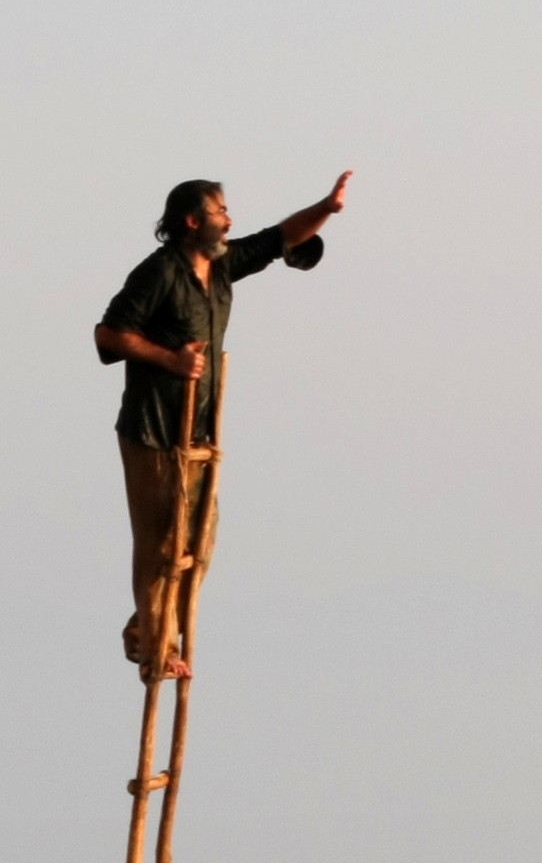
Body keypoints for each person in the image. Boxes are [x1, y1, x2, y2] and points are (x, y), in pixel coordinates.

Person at [93, 172, 353, 681]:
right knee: (160, 541)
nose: (230, 220)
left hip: (199, 431)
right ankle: (154, 648)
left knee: (198, 543)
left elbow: (281, 238)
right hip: (153, 429)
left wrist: (327, 207)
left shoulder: (223, 266)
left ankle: (151, 630)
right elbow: (108, 336)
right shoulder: (159, 273)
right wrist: (169, 359)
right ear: (192, 222)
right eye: (220, 212)